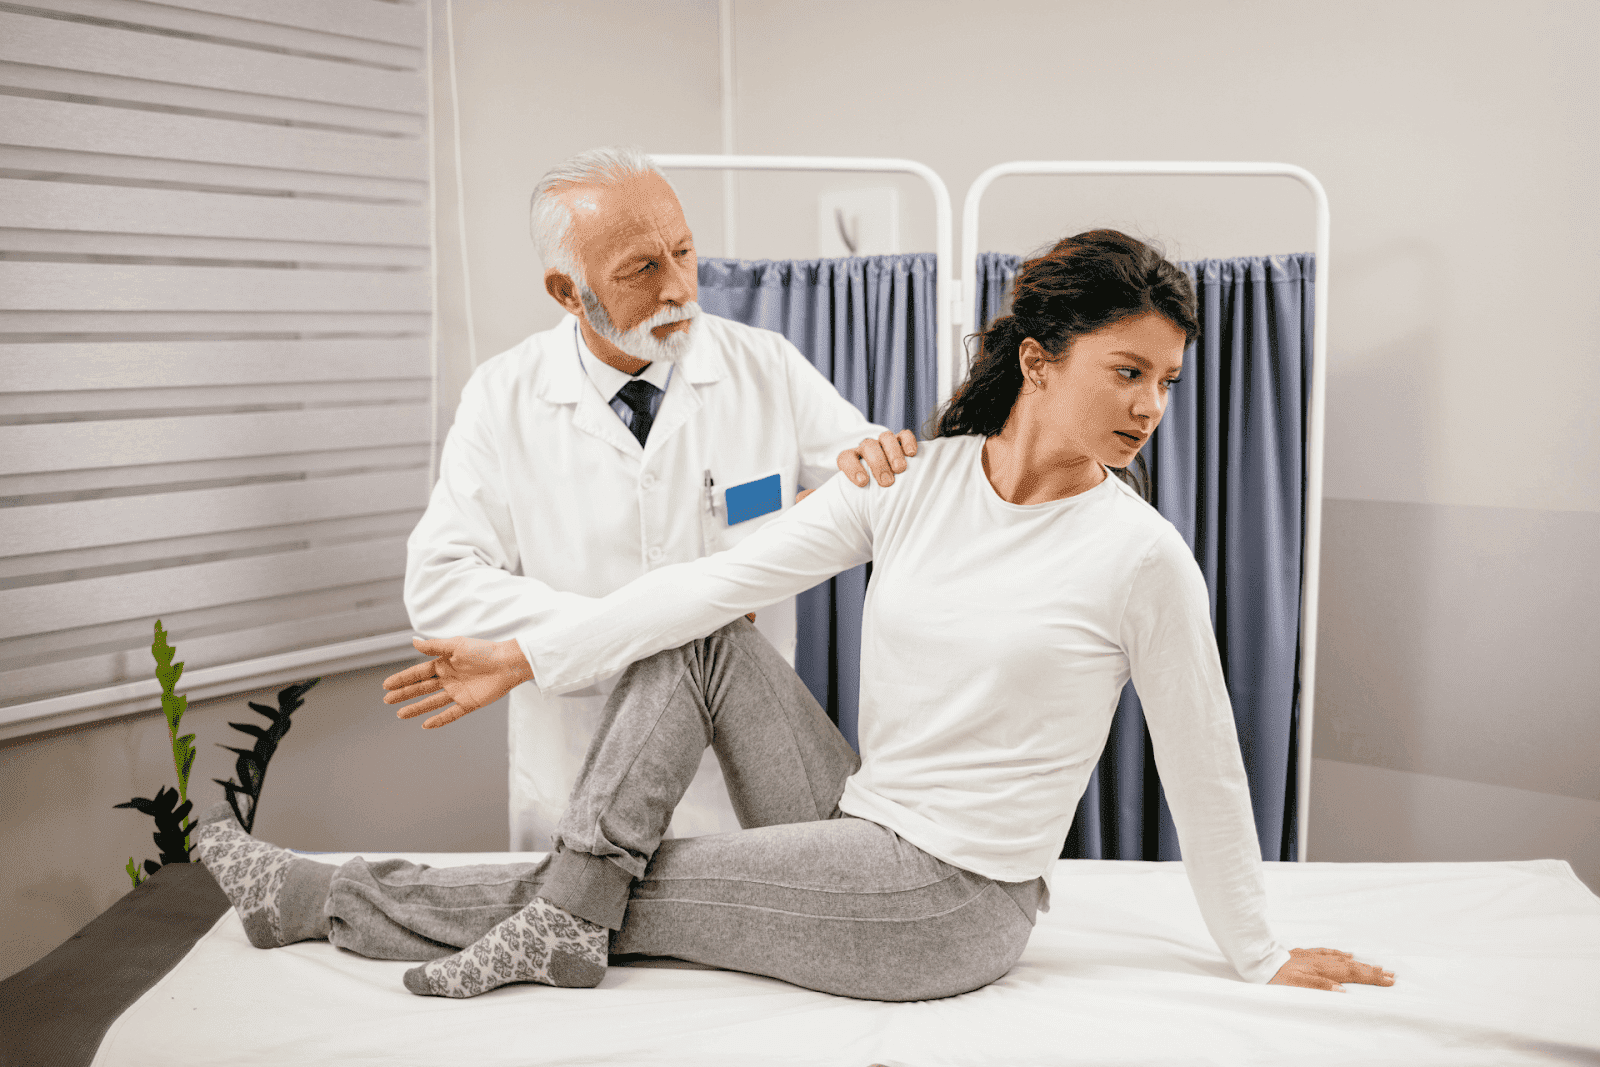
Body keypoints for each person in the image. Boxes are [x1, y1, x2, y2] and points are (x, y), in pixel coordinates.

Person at [195, 229, 1395, 1002]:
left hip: (948, 901)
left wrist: (1256, 947)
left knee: (621, 884)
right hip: (855, 814)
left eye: (1166, 381)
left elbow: (1205, 762)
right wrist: (524, 651)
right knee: (706, 635)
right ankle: (557, 912)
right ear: (1039, 360)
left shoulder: (1139, 555)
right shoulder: (918, 482)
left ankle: (325, 894)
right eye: (1125, 370)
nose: (1150, 405)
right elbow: (708, 584)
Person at [404, 145, 917, 853]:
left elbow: (874, 494)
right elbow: (439, 586)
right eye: (643, 268)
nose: (680, 288)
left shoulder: (763, 366)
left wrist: (869, 477)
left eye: (683, 252)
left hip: (732, 784)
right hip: (579, 769)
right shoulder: (504, 395)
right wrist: (649, 629)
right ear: (566, 290)